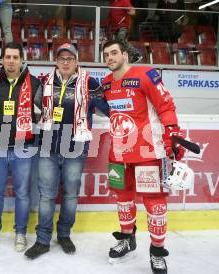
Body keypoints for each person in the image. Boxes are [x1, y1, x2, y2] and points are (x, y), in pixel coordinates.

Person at [101, 40, 186, 274]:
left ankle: (157, 252)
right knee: (123, 199)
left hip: (147, 152)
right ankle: (127, 239)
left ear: (125, 55)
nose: (109, 57)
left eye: (114, 53)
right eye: (106, 54)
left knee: (155, 204)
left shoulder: (146, 74)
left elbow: (166, 106)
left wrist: (173, 134)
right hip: (119, 152)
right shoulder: (107, 83)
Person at [24, 43, 109, 260]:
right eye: (61, 58)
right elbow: (35, 105)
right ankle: (43, 240)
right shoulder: (44, 81)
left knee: (70, 195)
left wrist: (107, 89)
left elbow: (106, 110)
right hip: (48, 147)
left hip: (75, 148)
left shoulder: (90, 83)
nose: (65, 62)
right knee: (46, 196)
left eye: (69, 58)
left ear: (76, 61)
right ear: (55, 61)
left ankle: (63, 235)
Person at [0, 42, 42, 252]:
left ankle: (21, 232)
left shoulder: (34, 83)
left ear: (21, 60)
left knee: (22, 193)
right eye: (8, 57)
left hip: (23, 148)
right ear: (2, 59)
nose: (11, 61)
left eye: (15, 57)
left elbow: (46, 111)